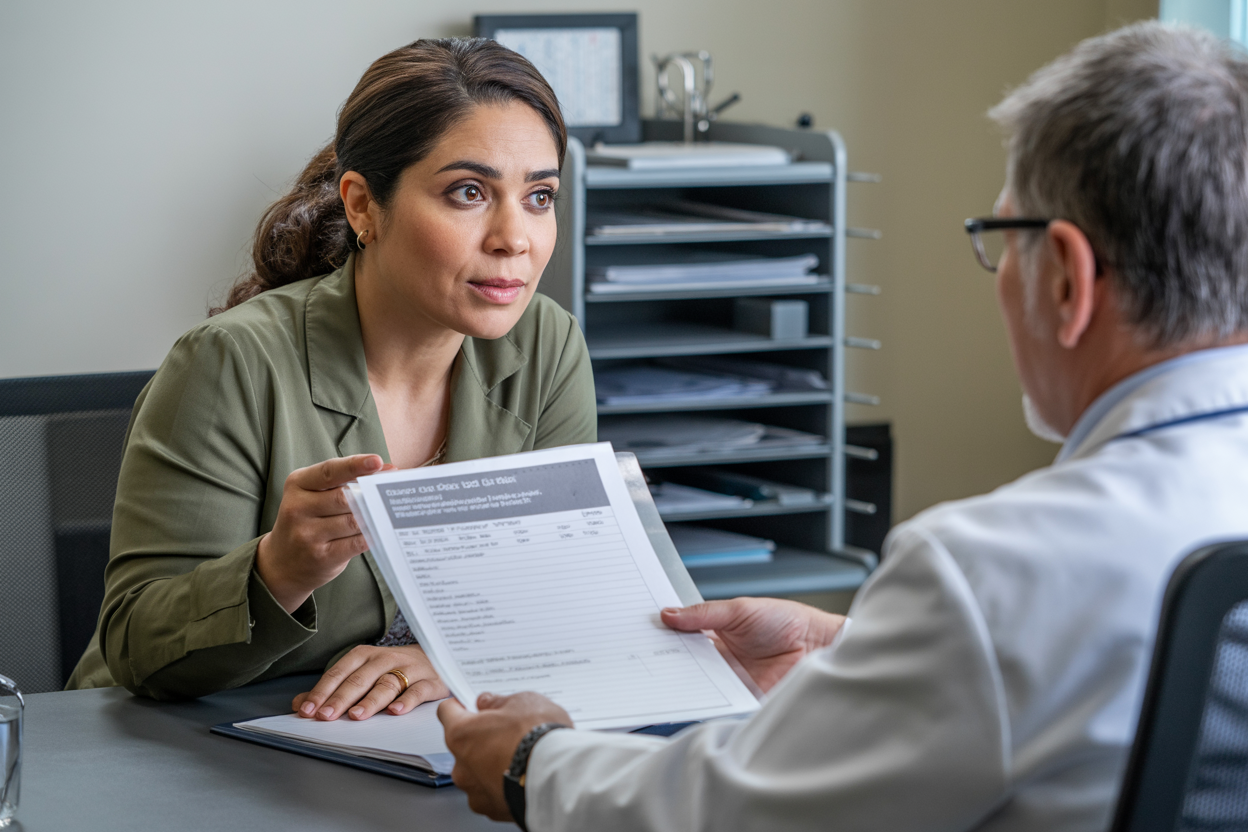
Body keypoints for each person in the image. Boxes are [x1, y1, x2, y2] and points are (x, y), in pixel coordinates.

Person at [439, 22, 1248, 831]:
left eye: (1002, 241)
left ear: (1069, 280)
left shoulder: (995, 571)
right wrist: (863, 650)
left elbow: (734, 814)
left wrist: (531, 760)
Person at [66, 38, 597, 724]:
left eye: (539, 196)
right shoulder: (227, 363)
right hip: (183, 747)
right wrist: (278, 569)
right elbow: (136, 644)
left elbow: (565, 591)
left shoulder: (547, 346)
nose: (514, 238)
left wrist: (450, 660)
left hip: (411, 747)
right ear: (363, 206)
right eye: (469, 193)